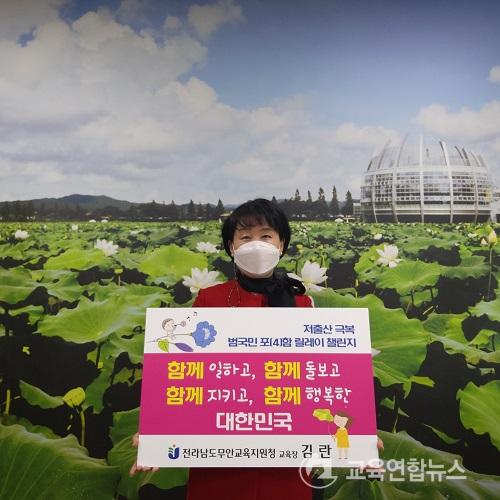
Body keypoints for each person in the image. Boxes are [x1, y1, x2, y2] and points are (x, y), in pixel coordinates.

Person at [187, 198, 313, 500]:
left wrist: (356, 432)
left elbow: (318, 376)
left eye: (266, 236)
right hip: (220, 442)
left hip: (286, 441)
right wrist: (157, 430)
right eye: (245, 237)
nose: (256, 244)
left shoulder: (302, 302)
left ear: (281, 244)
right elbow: (186, 372)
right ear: (231, 247)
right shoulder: (209, 299)